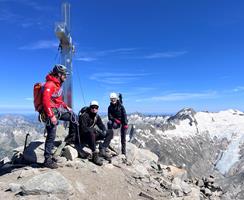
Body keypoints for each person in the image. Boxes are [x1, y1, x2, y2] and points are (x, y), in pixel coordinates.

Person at [42, 64, 78, 169]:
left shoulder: (57, 85)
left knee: (73, 117)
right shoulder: (49, 85)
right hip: (50, 112)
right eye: (64, 75)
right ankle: (47, 160)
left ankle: (70, 139)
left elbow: (57, 99)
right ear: (59, 74)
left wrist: (67, 107)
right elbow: (45, 102)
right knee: (51, 135)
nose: (65, 77)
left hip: (57, 111)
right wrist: (51, 116)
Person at [79, 101, 113, 166]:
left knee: (110, 132)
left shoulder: (96, 116)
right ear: (90, 107)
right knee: (92, 132)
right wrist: (93, 129)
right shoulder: (85, 116)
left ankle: (102, 149)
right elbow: (83, 129)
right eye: (92, 107)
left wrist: (104, 130)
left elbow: (101, 125)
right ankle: (94, 155)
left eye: (96, 107)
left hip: (92, 136)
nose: (94, 109)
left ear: (98, 108)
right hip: (85, 137)